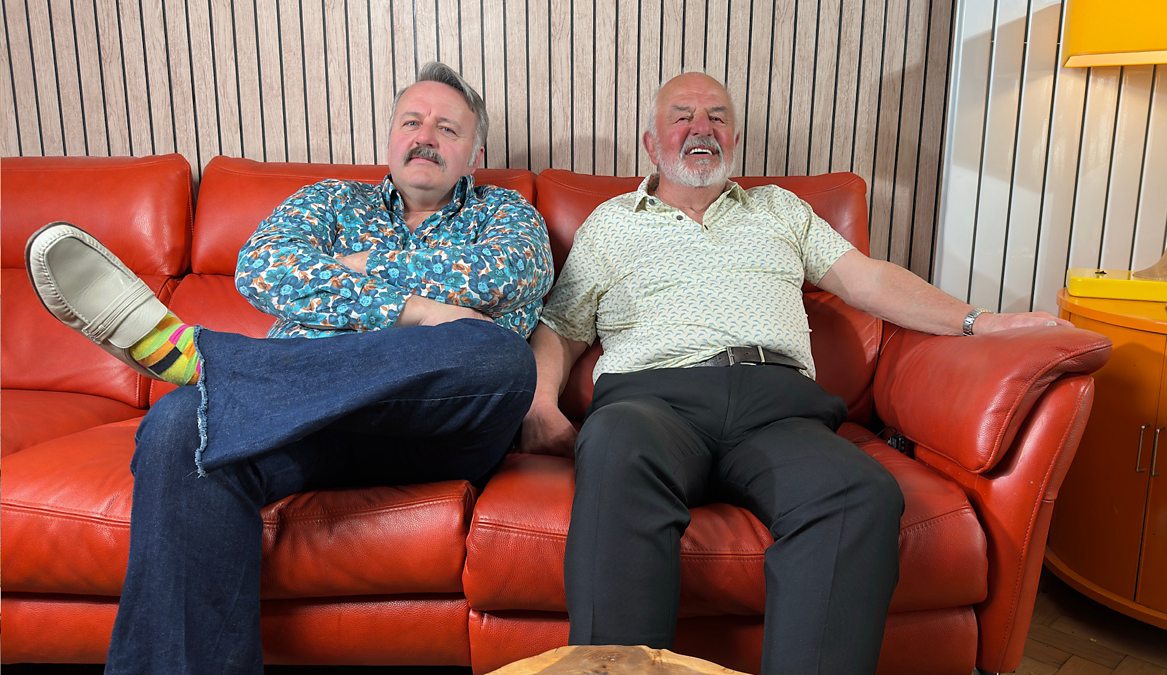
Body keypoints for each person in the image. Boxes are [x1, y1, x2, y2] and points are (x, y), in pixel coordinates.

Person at [519, 72, 1069, 674]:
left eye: (717, 117)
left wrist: (979, 322)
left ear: (735, 138)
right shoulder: (611, 223)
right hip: (652, 401)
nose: (702, 129)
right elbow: (562, 327)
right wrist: (541, 405)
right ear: (652, 143)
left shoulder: (779, 209)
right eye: (682, 116)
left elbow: (867, 280)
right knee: (615, 447)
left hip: (777, 408)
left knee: (859, 493)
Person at [24, 62, 553, 674]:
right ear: (390, 136)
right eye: (412, 122)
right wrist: (418, 310)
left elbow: (503, 274)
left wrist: (358, 266)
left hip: (436, 429)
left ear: (475, 155)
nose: (425, 137)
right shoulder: (330, 199)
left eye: (448, 129)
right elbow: (264, 266)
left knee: (497, 355)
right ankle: (228, 374)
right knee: (178, 427)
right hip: (301, 425)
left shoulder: (505, 212)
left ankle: (214, 362)